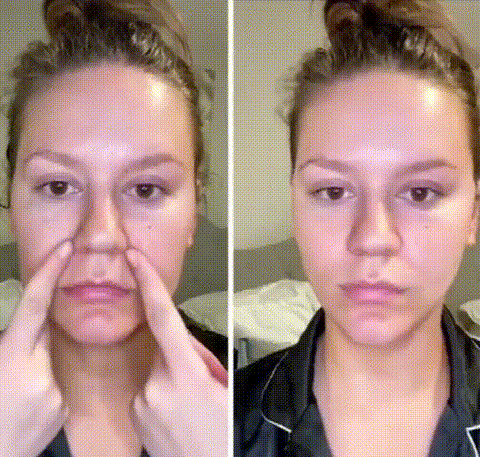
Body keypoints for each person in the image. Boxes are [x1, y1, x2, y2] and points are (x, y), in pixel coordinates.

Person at [234, 1, 480, 456]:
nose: (372, 239)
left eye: (420, 192)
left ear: (474, 214)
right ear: (295, 206)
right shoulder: (219, 424)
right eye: (333, 192)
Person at [0, 1, 227, 456]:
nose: (100, 236)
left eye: (145, 189)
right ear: (11, 208)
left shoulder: (252, 399)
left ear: (193, 214)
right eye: (58, 186)